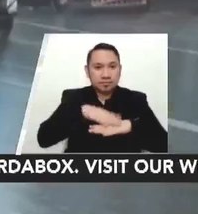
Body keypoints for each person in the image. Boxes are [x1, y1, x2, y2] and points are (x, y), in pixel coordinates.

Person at [36, 42, 169, 153]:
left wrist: (128, 125)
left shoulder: (135, 100)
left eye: (112, 67)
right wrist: (78, 112)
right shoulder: (74, 98)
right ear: (87, 71)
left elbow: (163, 145)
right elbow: (44, 139)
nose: (106, 74)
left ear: (120, 70)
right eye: (98, 67)